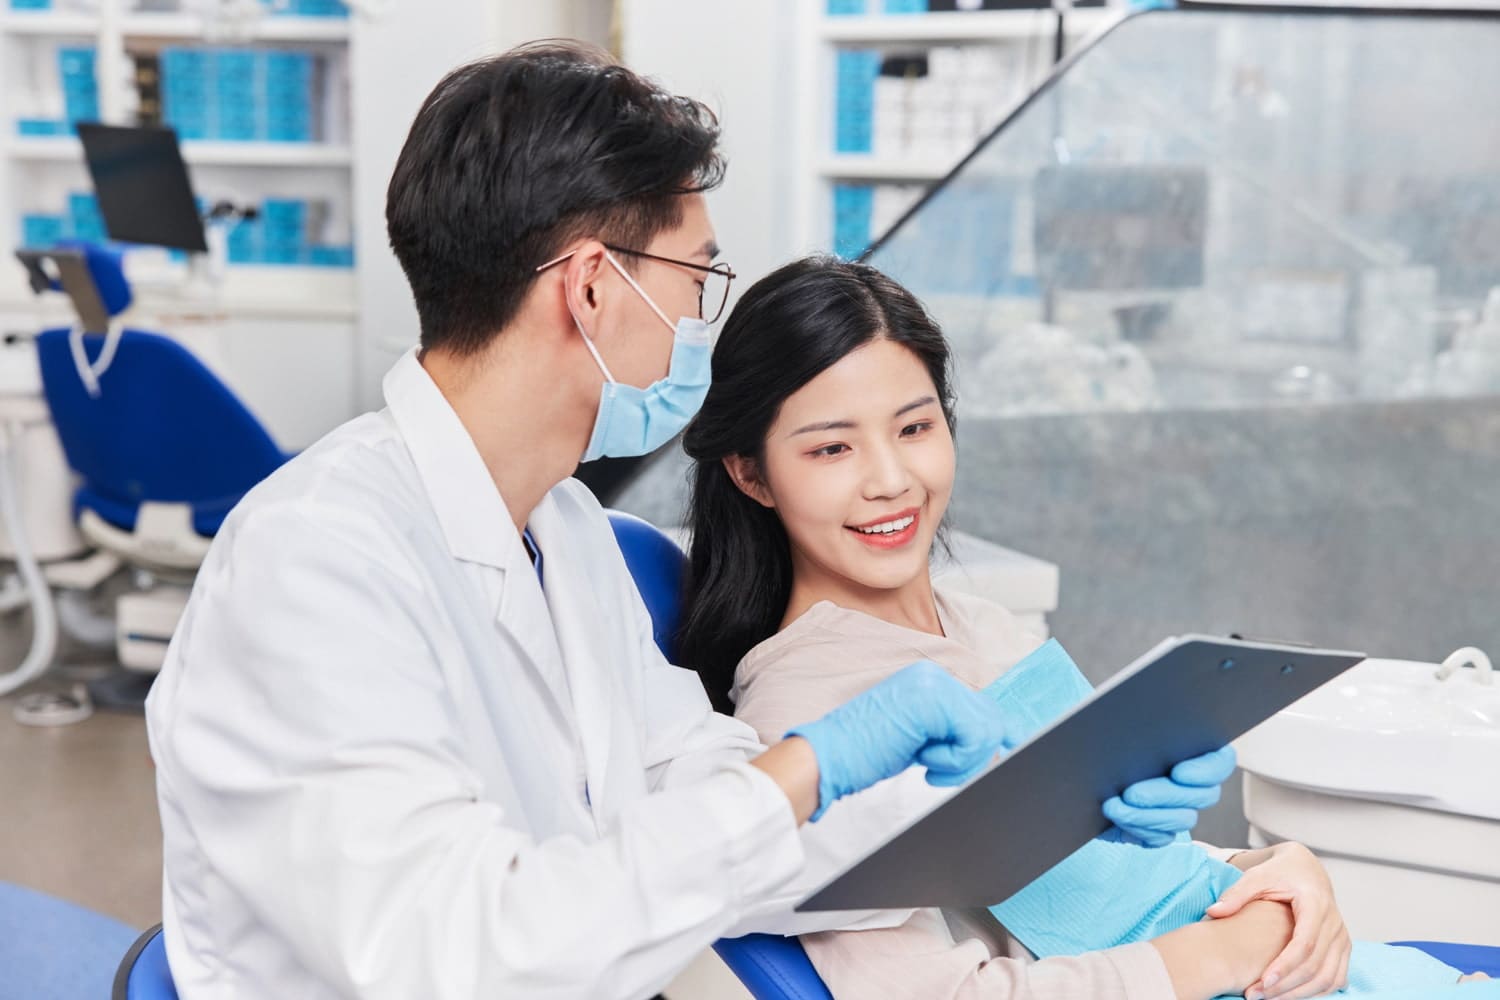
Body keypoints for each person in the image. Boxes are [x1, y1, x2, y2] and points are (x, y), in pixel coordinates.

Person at [144, 44, 1228, 999]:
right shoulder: (315, 561)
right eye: (697, 279)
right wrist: (809, 765)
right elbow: (459, 955)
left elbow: (702, 808)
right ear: (592, 289)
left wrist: (1039, 802)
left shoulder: (561, 528)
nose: (707, 321)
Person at [677, 256, 1492, 1000]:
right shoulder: (803, 722)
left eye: (915, 428)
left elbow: (1123, 874)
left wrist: (1277, 871)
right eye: (831, 449)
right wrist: (1218, 956)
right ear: (751, 472)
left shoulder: (985, 625)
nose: (891, 480)